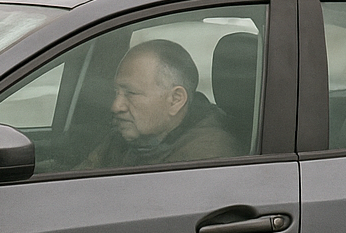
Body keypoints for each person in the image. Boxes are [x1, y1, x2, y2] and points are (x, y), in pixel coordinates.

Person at [77, 39, 240, 169]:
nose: (116, 106)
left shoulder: (207, 159)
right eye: (117, 93)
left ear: (175, 100)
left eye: (131, 93)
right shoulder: (124, 139)